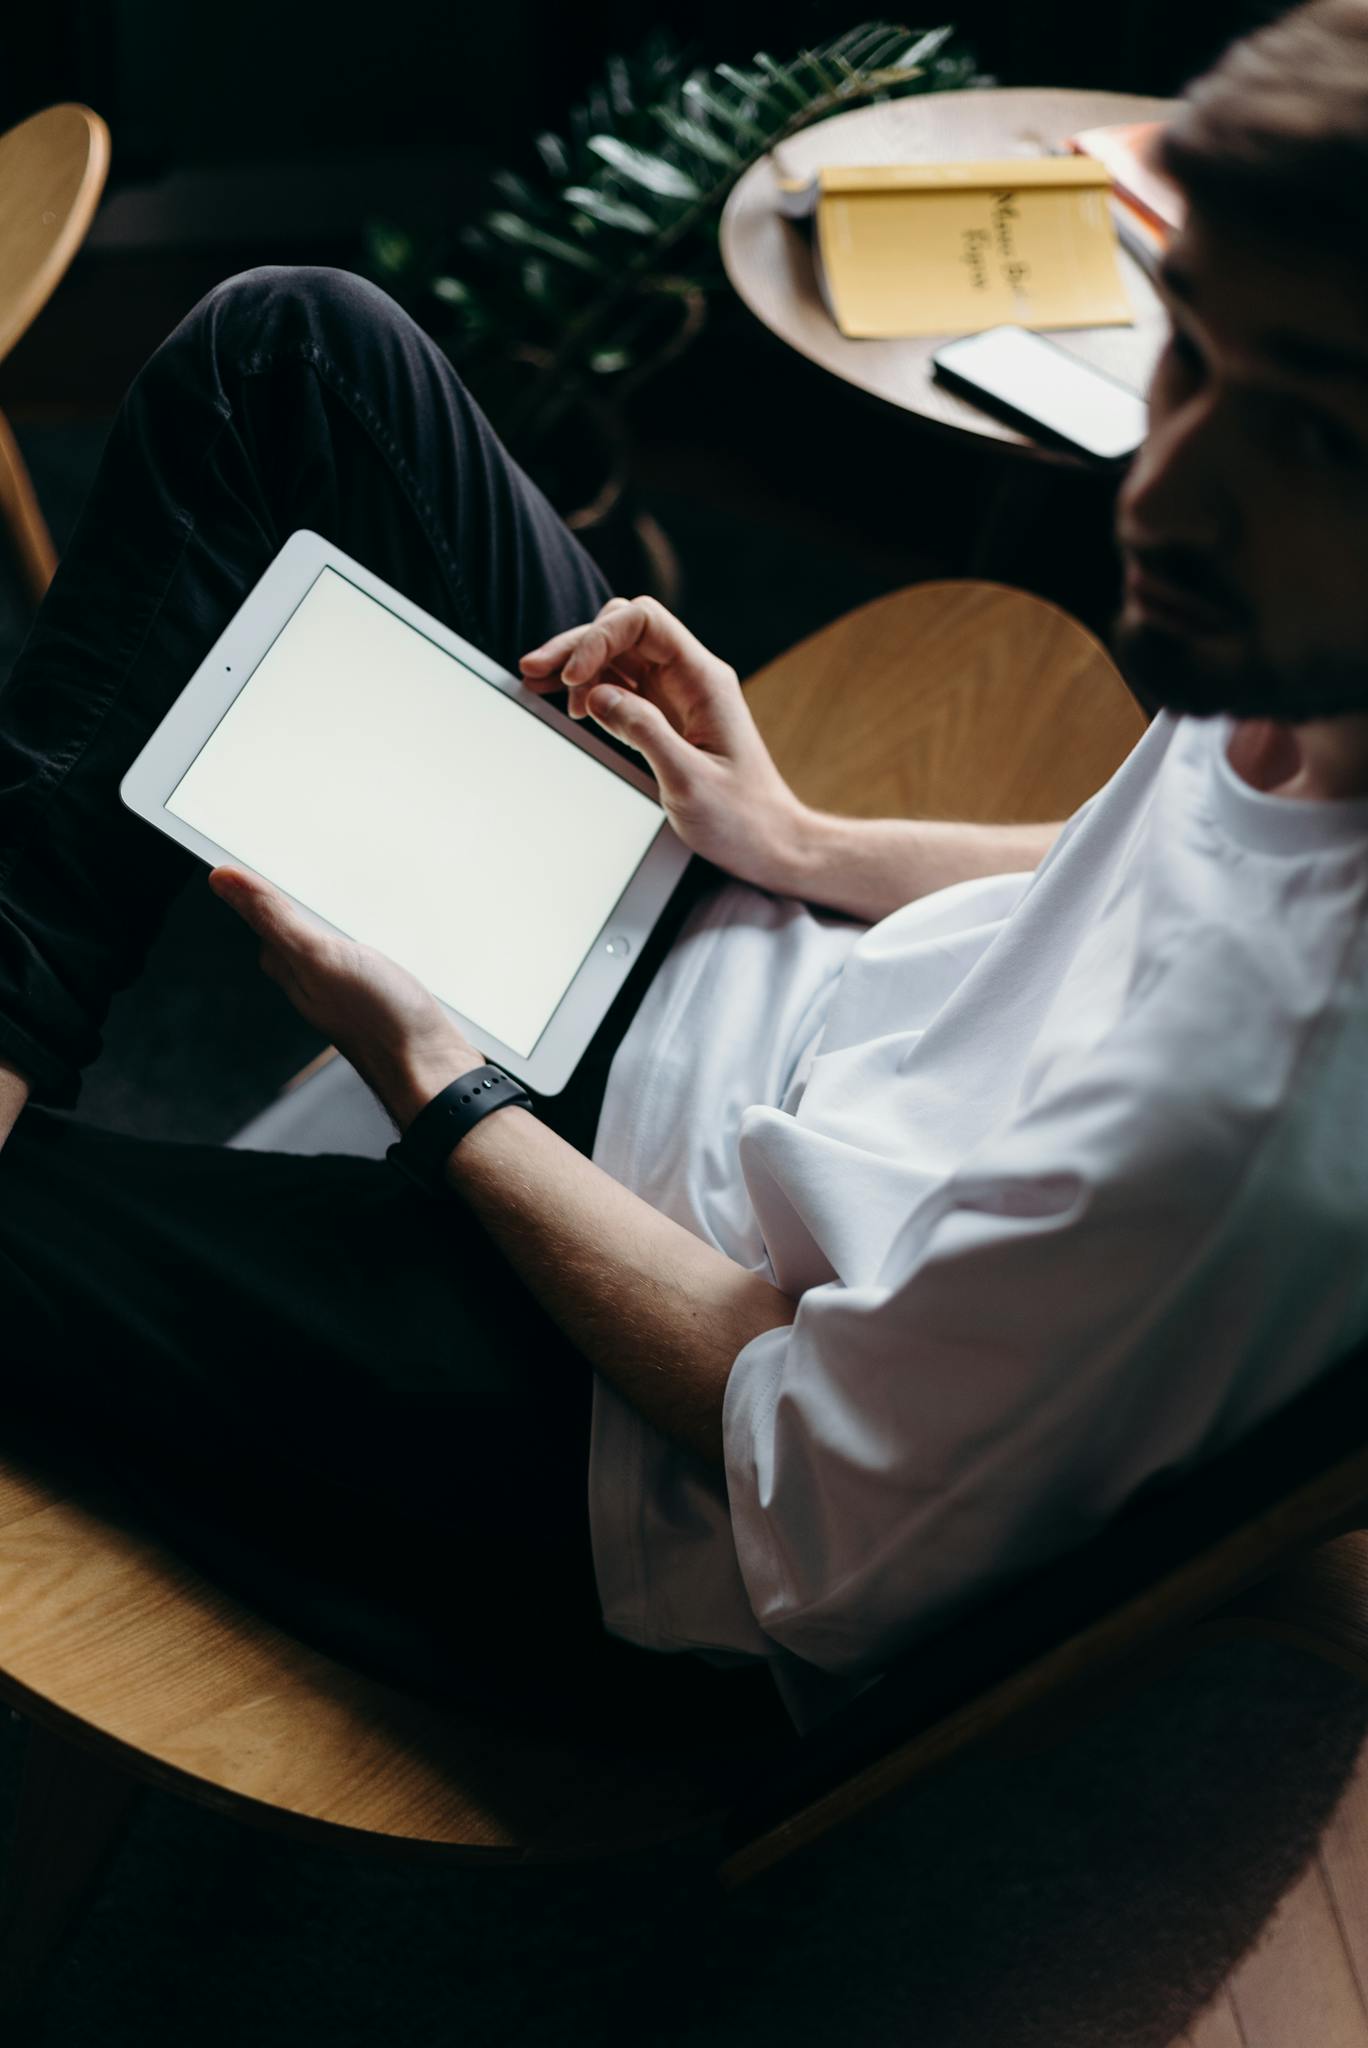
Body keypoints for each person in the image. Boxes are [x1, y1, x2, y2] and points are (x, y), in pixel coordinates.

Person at [4, 0, 1368, 1740]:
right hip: (767, 1025)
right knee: (300, 353)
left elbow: (813, 1514)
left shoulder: (1258, 1114)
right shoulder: (1298, 670)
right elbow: (1147, 870)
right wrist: (791, 841)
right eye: (1191, 356)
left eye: (1320, 441)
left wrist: (436, 1079)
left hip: (614, 1450)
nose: (1166, 502)